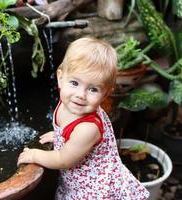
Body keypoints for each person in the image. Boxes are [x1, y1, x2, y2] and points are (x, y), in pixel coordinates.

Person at [17, 37, 150, 199]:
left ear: (106, 94)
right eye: (74, 83)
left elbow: (64, 160)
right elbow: (70, 133)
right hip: (80, 182)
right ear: (60, 77)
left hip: (94, 192)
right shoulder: (69, 102)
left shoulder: (87, 128)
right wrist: (60, 136)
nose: (80, 95)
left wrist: (35, 156)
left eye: (93, 89)